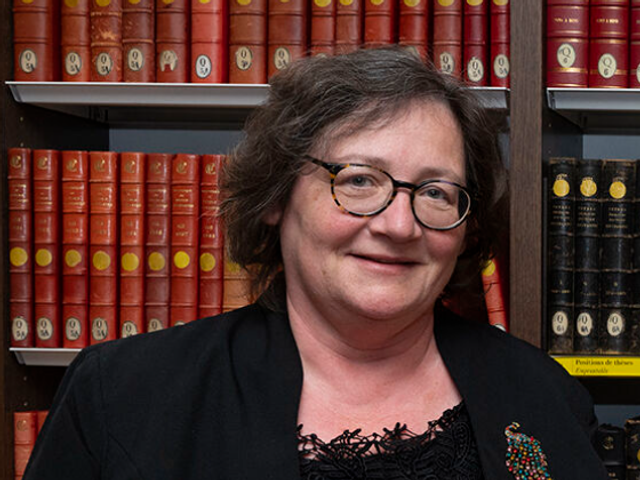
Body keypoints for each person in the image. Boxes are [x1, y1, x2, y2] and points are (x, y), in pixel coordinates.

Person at [23, 48, 606, 480]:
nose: (399, 226)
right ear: (276, 197)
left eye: (435, 192)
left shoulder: (545, 396)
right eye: (358, 180)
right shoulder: (122, 396)